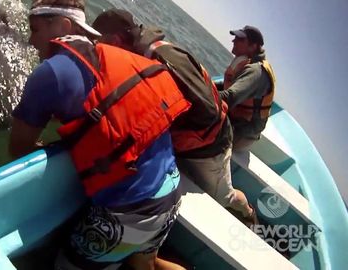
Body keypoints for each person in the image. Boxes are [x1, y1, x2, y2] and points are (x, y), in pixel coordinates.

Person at [10, 1, 189, 269]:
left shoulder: (51, 73)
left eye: (34, 29)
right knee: (146, 264)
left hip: (131, 212)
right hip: (170, 191)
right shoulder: (114, 57)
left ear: (64, 25)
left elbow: (18, 148)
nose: (30, 40)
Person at [92, 9, 257, 225]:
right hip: (187, 141)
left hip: (210, 147)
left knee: (225, 197)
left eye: (99, 45)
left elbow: (207, 110)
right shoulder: (139, 56)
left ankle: (248, 212)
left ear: (114, 40)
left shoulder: (164, 61)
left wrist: (164, 119)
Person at [220, 25, 276, 151]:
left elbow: (230, 97)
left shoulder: (256, 72)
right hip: (234, 119)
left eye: (240, 39)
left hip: (241, 132)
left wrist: (197, 92)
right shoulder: (246, 62)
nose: (233, 41)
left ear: (253, 46)